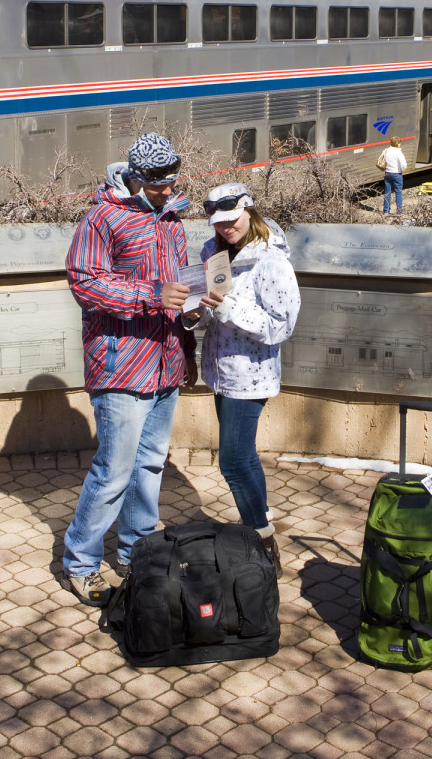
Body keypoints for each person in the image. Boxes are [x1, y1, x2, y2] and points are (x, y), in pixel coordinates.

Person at [60, 133, 195, 606]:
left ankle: (137, 551)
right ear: (135, 178)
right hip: (121, 365)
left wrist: (192, 321)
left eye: (171, 183)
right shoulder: (101, 217)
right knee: (115, 471)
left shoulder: (173, 221)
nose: (166, 191)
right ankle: (80, 561)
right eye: (157, 185)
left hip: (165, 362)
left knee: (150, 464)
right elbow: (85, 282)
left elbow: (177, 287)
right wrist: (149, 295)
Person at [191, 182, 300, 573]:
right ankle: (262, 526)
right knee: (245, 456)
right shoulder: (212, 253)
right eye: (218, 224)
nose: (225, 229)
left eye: (231, 221)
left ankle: (260, 539)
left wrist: (229, 309)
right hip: (221, 372)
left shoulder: (272, 261)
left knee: (233, 462)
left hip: (251, 376)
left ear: (249, 211)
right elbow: (207, 313)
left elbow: (281, 327)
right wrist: (193, 314)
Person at [377, 138, 407, 213]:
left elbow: (379, 159)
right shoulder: (398, 152)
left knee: (387, 192)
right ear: (398, 144)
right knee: (398, 192)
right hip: (397, 174)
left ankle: (386, 211)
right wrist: (401, 170)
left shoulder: (386, 151)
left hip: (387, 174)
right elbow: (404, 165)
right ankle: (399, 211)